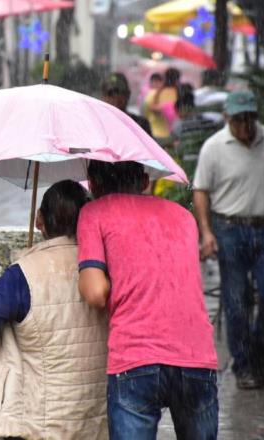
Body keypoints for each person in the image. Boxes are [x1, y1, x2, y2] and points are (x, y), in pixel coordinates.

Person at [77, 160, 219, 439]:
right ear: (145, 180)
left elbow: (95, 293)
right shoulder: (183, 216)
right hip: (196, 357)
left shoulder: (93, 213)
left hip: (136, 357)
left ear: (91, 183)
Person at [0, 180, 108, 440]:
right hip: (94, 421)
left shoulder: (23, 274)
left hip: (38, 424)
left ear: (40, 220)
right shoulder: (102, 268)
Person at [193, 90, 264, 390]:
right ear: (228, 119)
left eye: (250, 119)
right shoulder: (213, 147)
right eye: (239, 120)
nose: (246, 127)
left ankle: (256, 349)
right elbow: (201, 190)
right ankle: (243, 364)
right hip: (230, 228)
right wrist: (207, 232)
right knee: (235, 300)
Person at [143, 68, 181, 144]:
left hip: (155, 132)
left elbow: (149, 109)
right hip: (172, 134)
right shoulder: (178, 93)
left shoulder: (156, 93)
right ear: (177, 79)